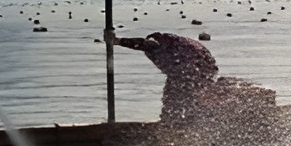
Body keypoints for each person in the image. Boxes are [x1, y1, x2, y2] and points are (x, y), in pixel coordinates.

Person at [114, 31, 275, 126]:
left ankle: (174, 124)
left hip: (190, 71)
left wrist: (118, 41)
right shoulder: (176, 43)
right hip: (200, 70)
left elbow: (143, 44)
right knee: (189, 97)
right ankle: (181, 120)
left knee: (179, 98)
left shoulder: (164, 47)